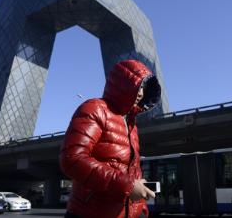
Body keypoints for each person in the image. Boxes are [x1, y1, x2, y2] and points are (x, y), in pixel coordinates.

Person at [59, 59, 162, 218]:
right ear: (121, 84)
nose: (141, 93)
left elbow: (131, 169)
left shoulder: (131, 123)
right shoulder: (95, 108)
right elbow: (72, 159)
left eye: (144, 87)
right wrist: (127, 185)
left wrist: (141, 207)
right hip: (91, 213)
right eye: (137, 85)